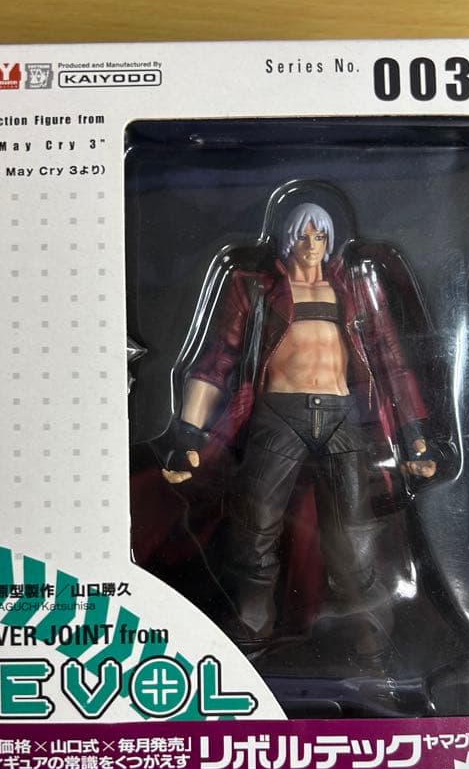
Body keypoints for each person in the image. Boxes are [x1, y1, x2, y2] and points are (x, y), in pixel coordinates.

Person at [158, 201, 438, 658]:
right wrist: (187, 432)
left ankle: (369, 637)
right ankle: (250, 626)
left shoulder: (353, 289)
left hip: (342, 415)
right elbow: (217, 359)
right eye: (303, 236)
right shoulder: (255, 288)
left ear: (330, 240)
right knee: (255, 526)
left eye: (320, 236)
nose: (311, 245)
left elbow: (390, 360)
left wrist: (414, 436)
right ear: (287, 239)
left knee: (353, 535)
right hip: (279, 414)